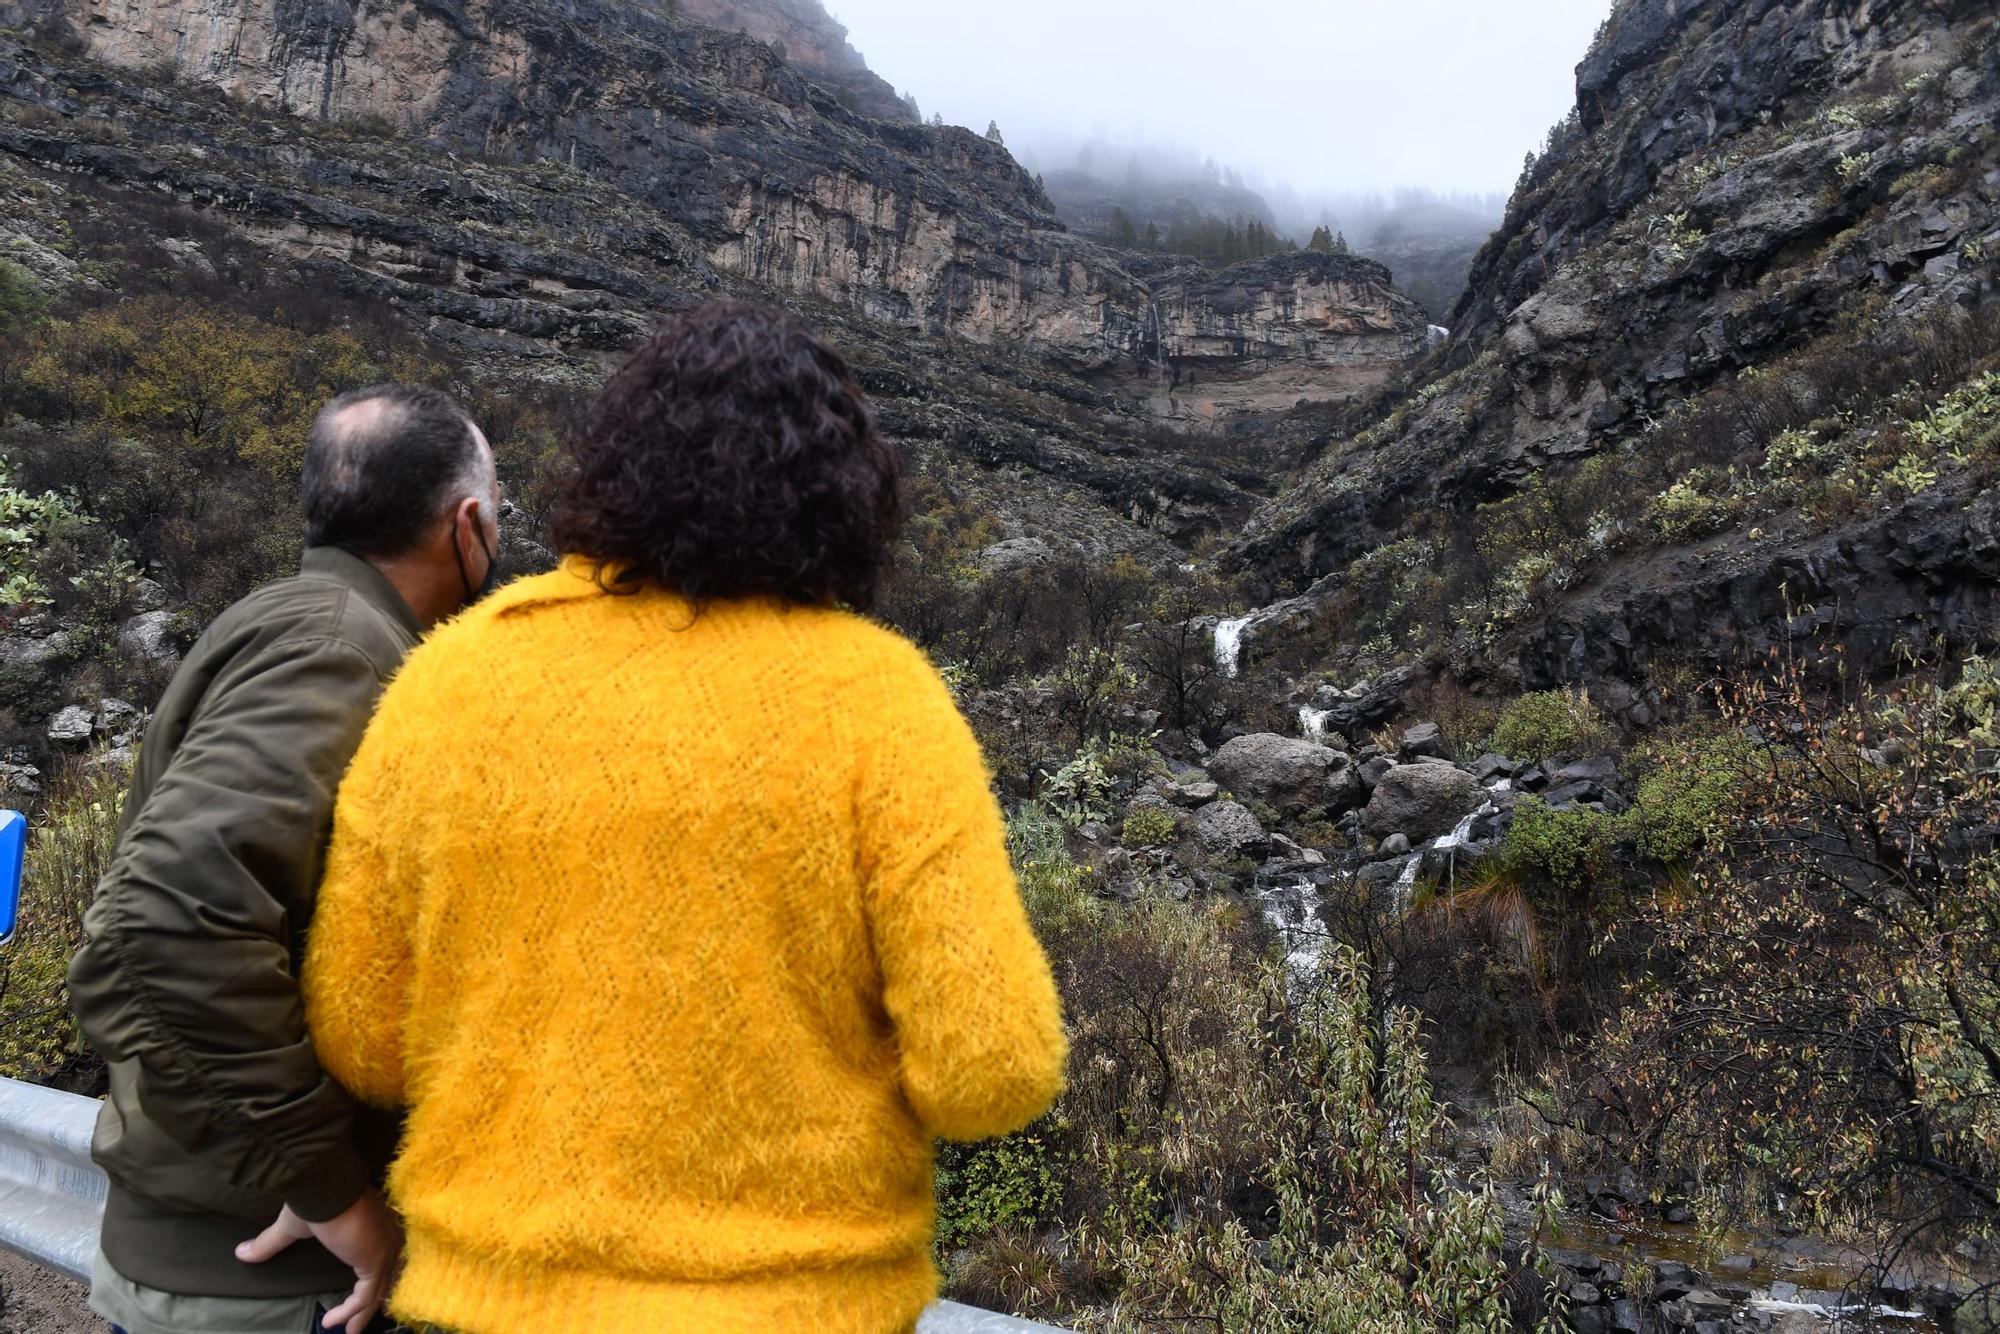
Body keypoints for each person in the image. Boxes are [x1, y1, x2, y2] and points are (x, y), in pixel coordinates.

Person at [300, 299, 1070, 1333]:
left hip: (485, 1298)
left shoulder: (449, 679)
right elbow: (992, 1070)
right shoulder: (877, 698)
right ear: (841, 493)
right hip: (797, 1306)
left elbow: (363, 1040)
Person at [68, 384, 502, 1334]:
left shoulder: (301, 619)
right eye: (498, 516)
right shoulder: (338, 651)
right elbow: (162, 925)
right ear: (466, 525)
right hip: (268, 1282)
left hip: (229, 1262)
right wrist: (329, 1187)